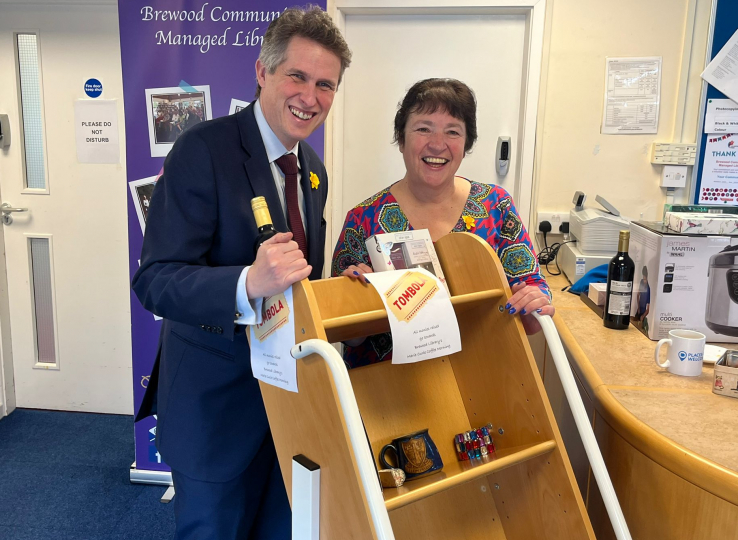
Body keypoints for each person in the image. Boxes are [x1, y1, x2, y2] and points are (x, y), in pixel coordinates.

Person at [132, 7, 350, 540]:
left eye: (326, 84)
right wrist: (244, 284)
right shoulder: (201, 150)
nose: (310, 96)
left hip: (285, 405)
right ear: (262, 72)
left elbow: (295, 282)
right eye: (297, 76)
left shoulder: (313, 170)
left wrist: (342, 287)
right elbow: (155, 279)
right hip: (214, 408)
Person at [332, 78, 553, 369]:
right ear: (401, 139)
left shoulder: (496, 206)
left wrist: (534, 304)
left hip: (482, 384)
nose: (438, 144)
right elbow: (344, 334)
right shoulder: (363, 219)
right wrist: (357, 299)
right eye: (423, 129)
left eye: (453, 132)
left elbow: (532, 314)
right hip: (387, 394)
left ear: (466, 144)